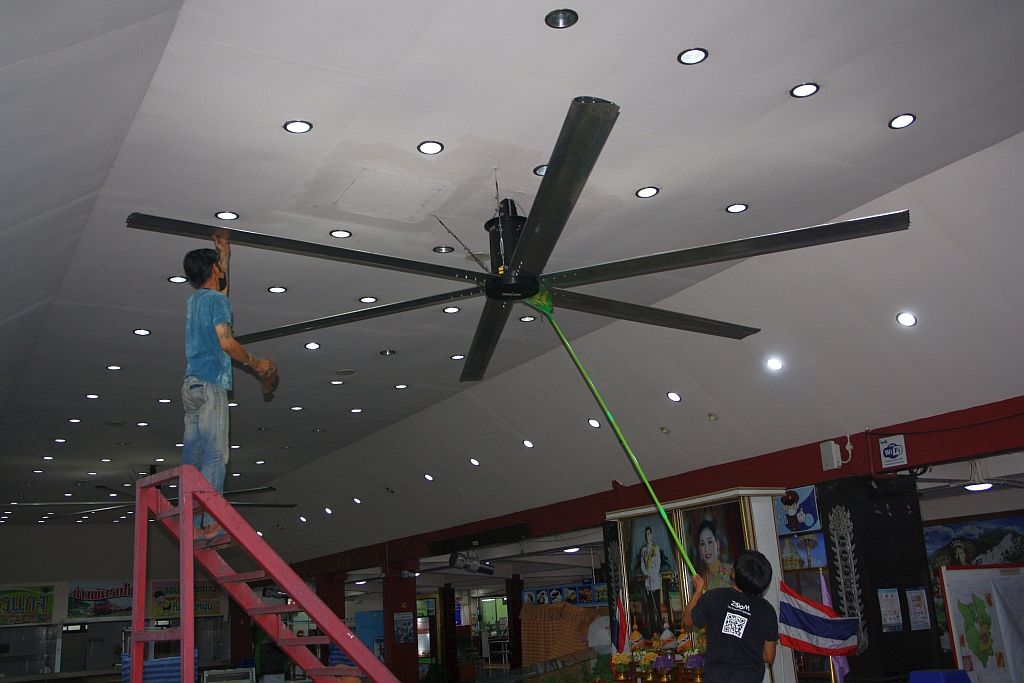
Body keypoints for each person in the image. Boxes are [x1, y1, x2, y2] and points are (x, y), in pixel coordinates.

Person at [181, 229, 275, 541]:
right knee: (215, 453)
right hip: (211, 383)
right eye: (219, 265)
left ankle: (192, 520)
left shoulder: (195, 300)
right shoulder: (217, 302)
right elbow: (226, 342)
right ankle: (211, 521)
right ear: (213, 269)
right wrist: (255, 363)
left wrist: (224, 255)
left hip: (191, 384)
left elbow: (220, 292)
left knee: (193, 455)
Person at [683, 550, 778, 683]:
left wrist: (698, 590)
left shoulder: (714, 597)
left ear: (734, 573)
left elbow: (688, 620)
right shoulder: (767, 610)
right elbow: (769, 656)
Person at [696, 520, 734, 590]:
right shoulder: (701, 579)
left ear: (717, 543)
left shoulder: (730, 572)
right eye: (703, 544)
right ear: (700, 549)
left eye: (710, 542)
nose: (706, 549)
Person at [639, 525, 662, 635]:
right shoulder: (643, 550)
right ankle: (653, 631)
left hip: (654, 581)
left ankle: (661, 629)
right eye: (646, 534)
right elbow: (642, 565)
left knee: (657, 606)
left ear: (651, 535)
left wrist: (652, 575)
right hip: (647, 581)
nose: (647, 536)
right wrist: (646, 574)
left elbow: (658, 563)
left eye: (648, 534)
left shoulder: (655, 547)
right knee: (650, 608)